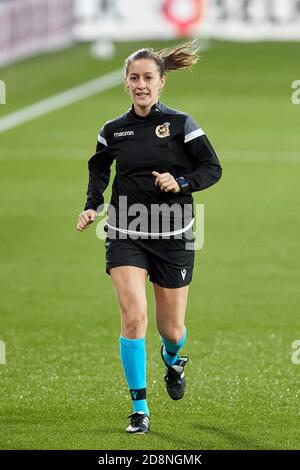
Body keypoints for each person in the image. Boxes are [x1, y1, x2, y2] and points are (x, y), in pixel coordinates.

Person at [76, 42, 222, 434]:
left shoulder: (181, 125)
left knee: (171, 330)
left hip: (173, 235)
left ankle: (173, 360)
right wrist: (92, 204)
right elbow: (99, 170)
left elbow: (212, 168)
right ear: (126, 83)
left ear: (161, 82)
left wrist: (182, 182)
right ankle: (140, 409)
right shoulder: (113, 130)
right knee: (133, 318)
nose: (141, 84)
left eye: (148, 78)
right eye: (134, 78)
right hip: (126, 232)